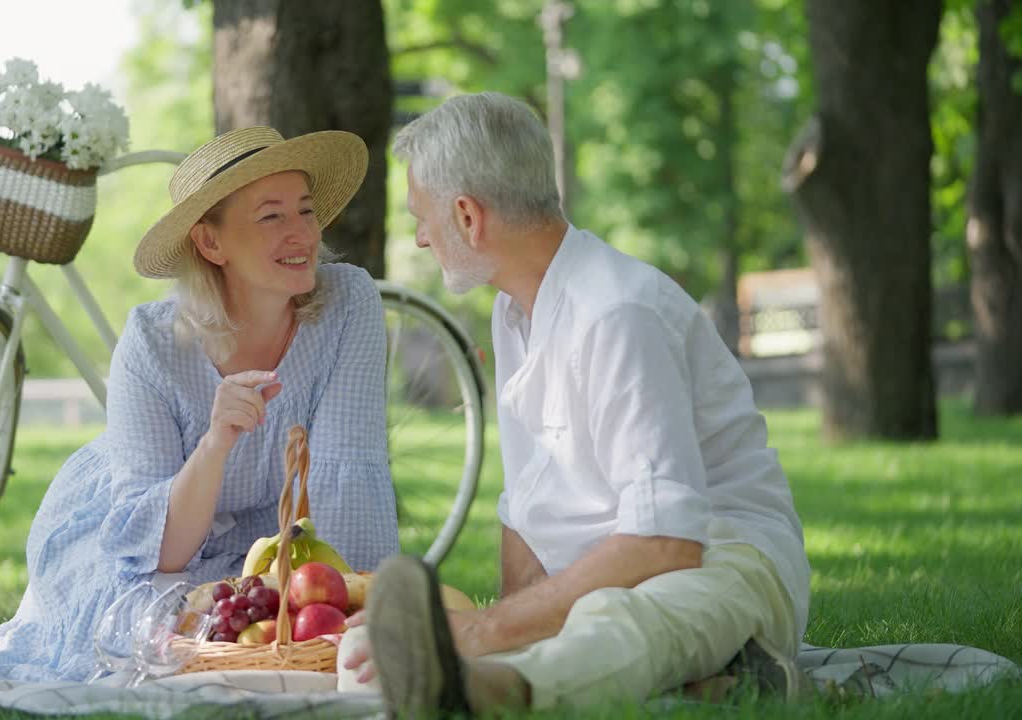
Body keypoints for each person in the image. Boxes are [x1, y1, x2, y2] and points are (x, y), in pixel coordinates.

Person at [341, 92, 812, 714]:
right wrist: (507, 622)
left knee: (617, 617)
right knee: (376, 664)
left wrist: (485, 635)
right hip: (613, 576)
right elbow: (527, 508)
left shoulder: (617, 313)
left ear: (466, 216)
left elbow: (667, 545)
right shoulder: (515, 312)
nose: (422, 240)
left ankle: (484, 693)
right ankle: (724, 680)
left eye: (421, 218)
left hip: (723, 559)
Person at [0, 126, 400, 682]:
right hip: (149, 534)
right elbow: (163, 557)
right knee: (146, 640)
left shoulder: (348, 303)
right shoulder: (153, 343)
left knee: (255, 632)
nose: (301, 232)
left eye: (305, 211)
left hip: (270, 537)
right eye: (271, 216)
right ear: (211, 243)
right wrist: (216, 442)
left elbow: (347, 473)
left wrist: (344, 609)